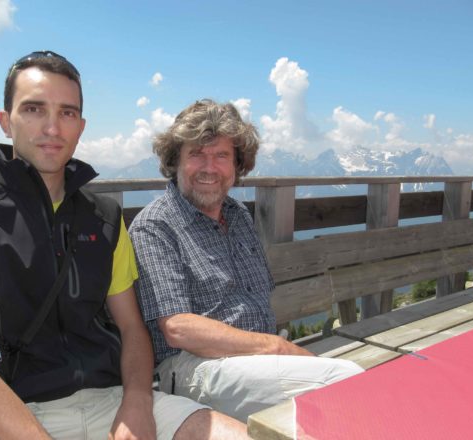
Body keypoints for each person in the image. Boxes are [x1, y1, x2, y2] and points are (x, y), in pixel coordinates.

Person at [0, 52, 248, 440]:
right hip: (15, 415)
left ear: (81, 126)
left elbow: (132, 328)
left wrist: (137, 404)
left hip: (116, 400)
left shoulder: (104, 218)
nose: (52, 127)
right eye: (34, 109)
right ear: (6, 121)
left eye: (67, 113)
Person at [129, 99, 364, 422]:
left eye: (221, 155)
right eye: (196, 153)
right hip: (193, 367)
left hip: (257, 360)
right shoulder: (155, 226)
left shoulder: (237, 215)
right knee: (347, 382)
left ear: (238, 165)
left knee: (350, 388)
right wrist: (276, 348)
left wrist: (273, 351)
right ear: (175, 161)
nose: (209, 167)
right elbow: (178, 328)